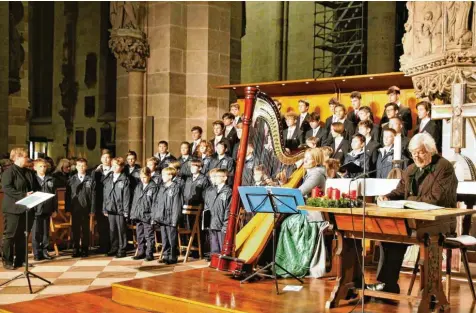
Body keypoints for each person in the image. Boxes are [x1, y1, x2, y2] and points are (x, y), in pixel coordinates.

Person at [372, 133, 458, 294]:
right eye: (413, 153)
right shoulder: (411, 168)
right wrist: (387, 196)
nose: (416, 156)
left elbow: (436, 199)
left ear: (431, 150)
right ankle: (387, 285)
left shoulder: (444, 167)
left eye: (420, 152)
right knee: (389, 237)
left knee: (415, 239)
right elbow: (399, 191)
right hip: (415, 220)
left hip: (439, 221)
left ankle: (430, 292)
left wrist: (409, 200)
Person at [2, 148, 39, 269]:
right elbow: (7, 188)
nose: (27, 158)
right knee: (11, 235)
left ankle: (20, 260)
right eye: (25, 156)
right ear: (17, 158)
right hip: (13, 209)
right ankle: (7, 260)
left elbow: (35, 186)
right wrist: (24, 195)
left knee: (23, 235)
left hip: (27, 208)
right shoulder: (9, 172)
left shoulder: (28, 172)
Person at [152, 167, 183, 264]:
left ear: (170, 176)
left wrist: (175, 219)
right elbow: (157, 202)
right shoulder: (161, 187)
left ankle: (173, 256)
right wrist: (156, 216)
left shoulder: (175, 188)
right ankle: (166, 255)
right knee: (164, 237)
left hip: (171, 217)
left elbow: (176, 205)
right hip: (162, 216)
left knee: (171, 237)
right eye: (162, 174)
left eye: (164, 174)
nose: (162, 176)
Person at [66, 158, 96, 258]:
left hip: (86, 208)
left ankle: (85, 248)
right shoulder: (72, 179)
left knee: (85, 229)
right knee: (75, 229)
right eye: (79, 166)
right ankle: (76, 249)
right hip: (75, 208)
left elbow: (93, 196)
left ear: (86, 167)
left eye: (83, 166)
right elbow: (68, 195)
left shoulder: (90, 180)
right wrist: (68, 209)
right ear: (76, 167)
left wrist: (92, 210)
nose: (81, 168)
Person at [103, 157, 130, 258]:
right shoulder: (108, 178)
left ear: (122, 167)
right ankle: (114, 247)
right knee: (112, 229)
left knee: (121, 229)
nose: (114, 167)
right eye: (113, 165)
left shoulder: (124, 179)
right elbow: (105, 195)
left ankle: (122, 249)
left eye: (117, 165)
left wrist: (126, 210)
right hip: (110, 208)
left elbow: (126, 196)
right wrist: (104, 208)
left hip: (120, 209)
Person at [130, 167, 158, 261]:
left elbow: (155, 203)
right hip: (138, 214)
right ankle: (141, 252)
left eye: (144, 177)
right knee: (140, 234)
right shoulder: (138, 186)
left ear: (149, 175)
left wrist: (153, 217)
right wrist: (133, 214)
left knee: (149, 235)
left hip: (148, 215)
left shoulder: (153, 187)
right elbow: (135, 201)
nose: (142, 179)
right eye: (141, 177)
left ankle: (149, 253)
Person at [32, 159, 57, 261]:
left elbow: (54, 195)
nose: (43, 168)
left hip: (47, 208)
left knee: (46, 232)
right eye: (40, 166)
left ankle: (45, 251)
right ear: (35, 168)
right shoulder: (33, 179)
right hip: (36, 209)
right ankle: (37, 252)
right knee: (36, 232)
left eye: (44, 166)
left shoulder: (50, 179)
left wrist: (55, 209)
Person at [204, 169, 231, 255]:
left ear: (225, 178)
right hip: (212, 222)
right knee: (214, 246)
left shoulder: (228, 191)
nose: (215, 178)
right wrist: (206, 221)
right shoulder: (211, 191)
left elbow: (228, 209)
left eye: (217, 176)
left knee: (222, 246)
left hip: (222, 224)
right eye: (214, 176)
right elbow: (207, 206)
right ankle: (214, 260)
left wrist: (225, 225)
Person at [94, 149, 113, 254]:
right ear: (101, 159)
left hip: (110, 201)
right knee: (101, 225)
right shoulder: (96, 172)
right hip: (99, 201)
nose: (106, 159)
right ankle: (102, 245)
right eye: (104, 158)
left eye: (108, 157)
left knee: (110, 225)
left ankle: (111, 246)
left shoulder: (114, 171)